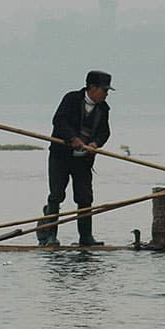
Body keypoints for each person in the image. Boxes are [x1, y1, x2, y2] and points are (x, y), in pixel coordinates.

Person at [36, 70, 113, 247]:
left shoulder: (103, 109)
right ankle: (50, 236)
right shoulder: (71, 99)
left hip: (83, 160)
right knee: (56, 195)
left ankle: (85, 237)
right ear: (92, 88)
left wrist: (95, 144)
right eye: (104, 90)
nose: (106, 94)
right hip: (60, 156)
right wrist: (73, 139)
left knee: (85, 197)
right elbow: (59, 122)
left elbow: (104, 132)